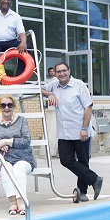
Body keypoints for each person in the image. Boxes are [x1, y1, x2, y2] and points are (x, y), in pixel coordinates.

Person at [42, 62, 103, 202]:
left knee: (83, 161)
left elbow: (88, 107)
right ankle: (94, 179)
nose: (61, 73)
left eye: (64, 70)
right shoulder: (54, 85)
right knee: (65, 160)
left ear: (69, 71)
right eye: (58, 71)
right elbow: (40, 89)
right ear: (55, 74)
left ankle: (82, 192)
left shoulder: (79, 85)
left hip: (80, 130)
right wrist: (50, 94)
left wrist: (84, 128)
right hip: (64, 132)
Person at [0, 94, 37, 214]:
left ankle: (21, 202)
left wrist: (8, 141)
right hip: (2, 159)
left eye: (9, 105)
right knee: (6, 168)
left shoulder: (22, 121)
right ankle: (12, 203)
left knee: (18, 168)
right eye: (3, 105)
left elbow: (26, 141)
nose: (6, 108)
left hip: (23, 158)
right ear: (0, 107)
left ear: (14, 106)